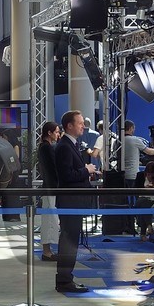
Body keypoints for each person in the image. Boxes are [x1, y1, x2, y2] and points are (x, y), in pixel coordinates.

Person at [52, 110, 97, 294]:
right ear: (69, 125)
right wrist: (86, 170)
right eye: (79, 123)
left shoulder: (71, 145)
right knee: (68, 241)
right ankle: (64, 280)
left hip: (75, 201)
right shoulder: (64, 146)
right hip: (70, 201)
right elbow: (66, 175)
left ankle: (66, 278)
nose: (83, 126)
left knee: (71, 240)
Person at [110, 120, 154, 235]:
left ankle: (128, 226)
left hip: (121, 176)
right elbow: (150, 152)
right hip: (134, 176)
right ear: (130, 128)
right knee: (139, 202)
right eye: (133, 128)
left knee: (125, 203)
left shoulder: (117, 142)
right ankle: (142, 226)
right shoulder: (135, 140)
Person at [35, 121, 61, 260]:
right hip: (51, 188)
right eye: (56, 132)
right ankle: (47, 251)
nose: (58, 134)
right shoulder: (47, 148)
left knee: (50, 219)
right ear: (49, 133)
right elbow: (53, 169)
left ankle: (47, 250)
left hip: (49, 187)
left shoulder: (45, 147)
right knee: (50, 220)